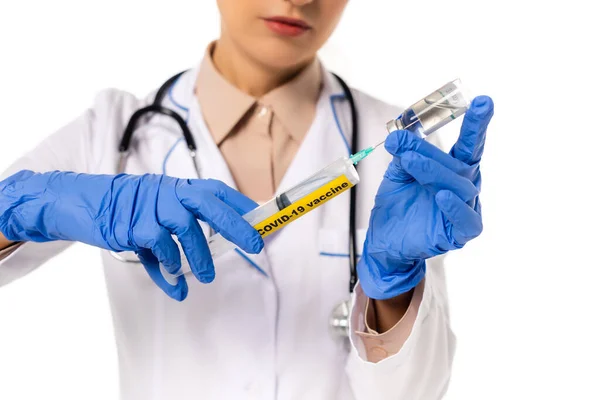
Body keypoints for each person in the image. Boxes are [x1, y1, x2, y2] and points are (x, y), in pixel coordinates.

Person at [0, 0, 494, 399]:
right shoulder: (110, 134)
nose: (300, 0)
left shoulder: (397, 149)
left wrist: (391, 290)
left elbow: (415, 392)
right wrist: (26, 206)